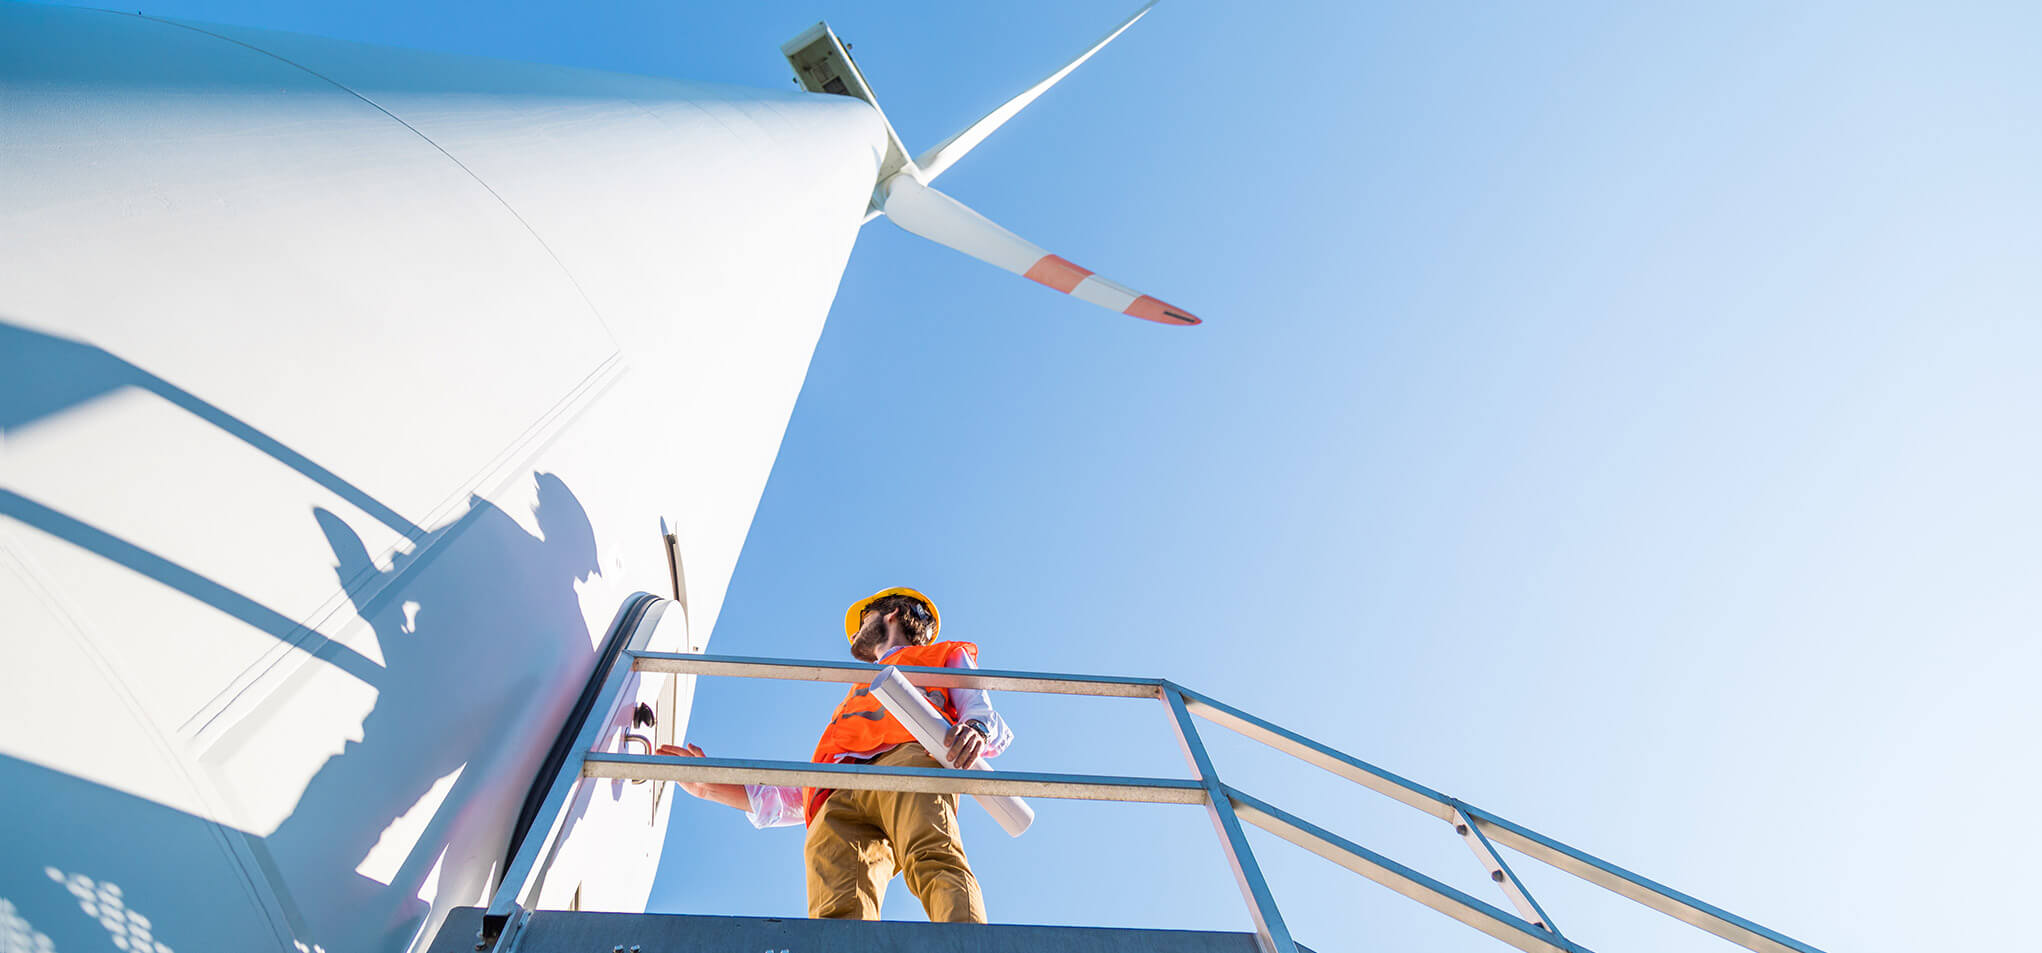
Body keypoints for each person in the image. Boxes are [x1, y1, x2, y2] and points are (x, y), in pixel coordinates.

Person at [662, 587, 1012, 922]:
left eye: (864, 618)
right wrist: (709, 786)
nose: (857, 631)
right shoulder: (856, 694)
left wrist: (977, 731)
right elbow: (793, 797)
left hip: (909, 762)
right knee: (838, 909)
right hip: (835, 791)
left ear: (892, 613)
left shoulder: (941, 656)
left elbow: (982, 714)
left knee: (933, 858)